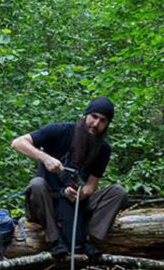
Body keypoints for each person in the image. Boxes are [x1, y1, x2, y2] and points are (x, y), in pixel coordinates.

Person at [10, 97, 129, 259]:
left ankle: (89, 238)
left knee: (118, 192)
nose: (96, 124)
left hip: (74, 204)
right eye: (94, 117)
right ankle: (54, 240)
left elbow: (91, 186)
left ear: (107, 124)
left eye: (102, 121)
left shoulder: (103, 149)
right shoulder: (60, 131)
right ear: (86, 115)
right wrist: (45, 158)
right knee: (36, 183)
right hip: (45, 202)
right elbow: (17, 143)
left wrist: (81, 194)